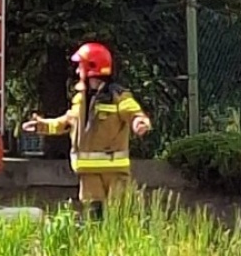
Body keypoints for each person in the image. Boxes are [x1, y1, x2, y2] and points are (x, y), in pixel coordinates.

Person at [21, 42, 152, 222]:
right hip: (88, 173)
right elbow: (66, 122)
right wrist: (41, 125)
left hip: (114, 171)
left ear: (91, 68)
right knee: (93, 213)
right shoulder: (80, 100)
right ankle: (97, 243)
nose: (76, 72)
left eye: (80, 67)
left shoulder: (118, 97)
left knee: (120, 213)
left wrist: (140, 123)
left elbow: (133, 113)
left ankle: (122, 244)